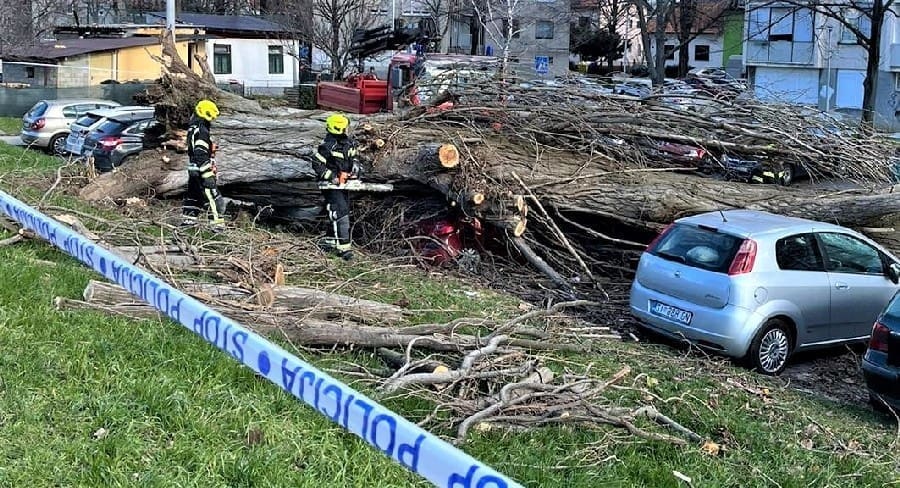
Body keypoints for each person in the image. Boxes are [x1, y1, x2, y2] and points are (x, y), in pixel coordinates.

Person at [312, 113, 361, 260]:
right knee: (339, 211)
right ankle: (344, 249)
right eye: (345, 127)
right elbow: (317, 164)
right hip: (329, 185)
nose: (348, 129)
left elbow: (354, 158)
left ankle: (329, 241)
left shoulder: (348, 143)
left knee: (342, 208)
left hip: (343, 184)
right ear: (339, 129)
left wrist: (355, 169)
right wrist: (332, 177)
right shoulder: (328, 146)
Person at [182, 99, 226, 229]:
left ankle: (188, 224)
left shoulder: (193, 128)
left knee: (193, 197)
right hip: (201, 170)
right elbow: (200, 153)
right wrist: (208, 176)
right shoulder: (202, 131)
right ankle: (217, 227)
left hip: (193, 169)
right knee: (214, 198)